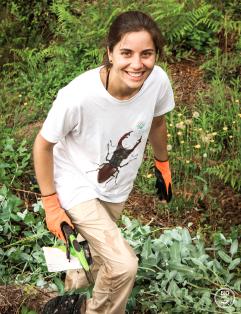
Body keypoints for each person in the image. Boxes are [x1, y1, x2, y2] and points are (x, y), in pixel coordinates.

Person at [33, 10, 175, 314]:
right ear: (109, 52)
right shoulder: (78, 96)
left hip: (114, 186)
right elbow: (43, 145)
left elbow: (157, 123)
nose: (137, 64)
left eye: (146, 54)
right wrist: (51, 204)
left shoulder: (158, 81)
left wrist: (162, 165)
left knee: (94, 256)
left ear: (156, 55)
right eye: (126, 53)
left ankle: (70, 301)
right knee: (123, 265)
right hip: (74, 184)